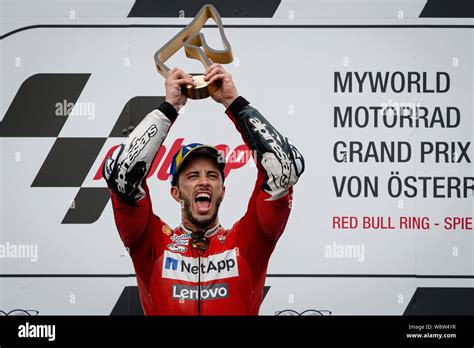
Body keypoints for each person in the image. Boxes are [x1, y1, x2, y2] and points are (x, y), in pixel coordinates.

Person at [103, 63, 305, 315]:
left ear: (222, 189)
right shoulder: (152, 242)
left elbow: (284, 169)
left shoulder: (248, 241)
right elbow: (121, 174)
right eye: (192, 176)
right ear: (175, 192)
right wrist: (169, 107)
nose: (204, 182)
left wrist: (233, 102)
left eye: (212, 175)